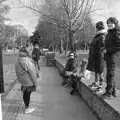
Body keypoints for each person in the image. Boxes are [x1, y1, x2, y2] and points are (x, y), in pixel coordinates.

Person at [15, 43, 38, 114]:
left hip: (23, 80)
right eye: (29, 50)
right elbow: (32, 73)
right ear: (26, 52)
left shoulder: (18, 60)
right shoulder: (26, 60)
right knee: (27, 94)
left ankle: (26, 106)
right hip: (28, 81)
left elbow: (17, 71)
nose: (30, 52)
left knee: (25, 93)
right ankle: (27, 108)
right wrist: (35, 83)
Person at [103, 17, 120, 98]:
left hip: (113, 56)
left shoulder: (116, 32)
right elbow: (108, 44)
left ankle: (109, 93)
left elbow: (118, 46)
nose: (109, 24)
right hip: (109, 56)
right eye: (108, 23)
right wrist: (104, 49)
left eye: (111, 23)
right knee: (110, 73)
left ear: (115, 23)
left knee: (110, 74)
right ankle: (113, 92)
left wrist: (108, 50)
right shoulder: (109, 32)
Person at [87, 21, 106, 91]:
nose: (96, 29)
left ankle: (100, 86)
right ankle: (96, 82)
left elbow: (103, 46)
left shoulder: (102, 36)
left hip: (99, 57)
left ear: (99, 28)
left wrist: (99, 52)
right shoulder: (97, 36)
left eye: (96, 27)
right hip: (95, 56)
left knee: (100, 71)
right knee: (96, 70)